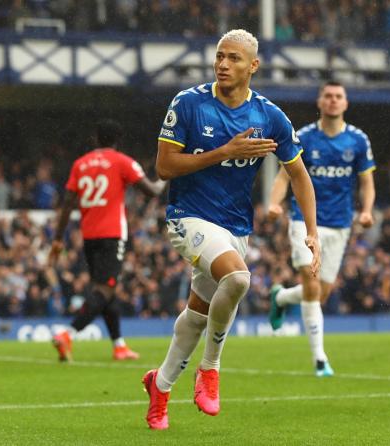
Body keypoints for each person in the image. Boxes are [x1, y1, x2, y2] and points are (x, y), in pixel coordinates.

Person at [141, 29, 320, 430]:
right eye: (220, 56)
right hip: (186, 217)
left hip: (234, 226)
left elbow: (300, 177)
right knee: (238, 278)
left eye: (234, 58)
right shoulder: (188, 104)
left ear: (253, 66)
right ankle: (210, 369)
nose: (223, 64)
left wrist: (312, 231)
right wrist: (225, 152)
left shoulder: (269, 116)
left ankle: (161, 385)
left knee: (197, 314)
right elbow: (165, 167)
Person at [266, 80, 376, 377]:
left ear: (345, 103)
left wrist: (366, 211)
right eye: (327, 96)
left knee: (321, 293)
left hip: (340, 224)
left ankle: (281, 298)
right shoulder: (303, 137)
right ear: (319, 102)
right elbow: (284, 177)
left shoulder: (357, 140)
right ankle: (320, 360)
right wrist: (275, 204)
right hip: (304, 219)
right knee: (312, 285)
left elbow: (366, 181)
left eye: (338, 96)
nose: (332, 101)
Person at [48, 119, 166, 362]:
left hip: (89, 235)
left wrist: (58, 239)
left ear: (96, 139)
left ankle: (119, 346)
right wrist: (168, 174)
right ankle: (68, 333)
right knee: (105, 289)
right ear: (117, 140)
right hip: (112, 234)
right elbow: (152, 191)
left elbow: (68, 204)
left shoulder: (80, 164)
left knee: (104, 290)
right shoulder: (122, 161)